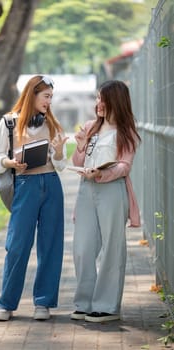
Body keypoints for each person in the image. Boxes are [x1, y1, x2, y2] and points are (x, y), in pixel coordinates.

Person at [0, 75, 68, 321]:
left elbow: (61, 164)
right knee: (17, 245)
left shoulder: (53, 124)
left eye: (51, 97)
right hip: (25, 185)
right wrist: (9, 162)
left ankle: (43, 303)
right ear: (32, 94)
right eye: (46, 96)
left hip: (52, 186)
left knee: (51, 245)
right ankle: (6, 304)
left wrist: (57, 153)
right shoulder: (10, 123)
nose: (49, 102)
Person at [70, 80, 141, 323]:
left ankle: (107, 306)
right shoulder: (90, 127)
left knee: (112, 248)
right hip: (86, 190)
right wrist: (80, 147)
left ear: (116, 101)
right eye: (97, 98)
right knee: (82, 247)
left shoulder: (127, 132)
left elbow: (124, 166)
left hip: (112, 190)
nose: (98, 103)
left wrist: (102, 173)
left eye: (103, 99)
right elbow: (79, 162)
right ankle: (84, 302)